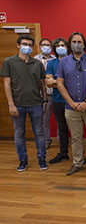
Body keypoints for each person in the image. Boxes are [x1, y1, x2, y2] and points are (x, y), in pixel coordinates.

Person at [56, 31, 86, 176]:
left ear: (84, 45)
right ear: (70, 44)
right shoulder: (63, 62)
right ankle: (77, 162)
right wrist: (71, 102)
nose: (77, 44)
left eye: (80, 42)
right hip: (71, 108)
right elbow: (59, 83)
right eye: (74, 42)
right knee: (76, 137)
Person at [0, 34, 48, 171]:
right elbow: (7, 85)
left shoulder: (37, 64)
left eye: (30, 45)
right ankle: (22, 160)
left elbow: (42, 84)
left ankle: (42, 159)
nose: (27, 47)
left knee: (39, 132)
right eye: (24, 44)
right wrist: (11, 104)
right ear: (18, 45)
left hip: (36, 104)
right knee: (19, 133)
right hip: (18, 105)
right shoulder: (9, 62)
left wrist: (44, 100)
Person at [46, 38, 71, 164]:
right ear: (55, 49)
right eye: (58, 45)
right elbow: (48, 83)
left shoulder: (72, 62)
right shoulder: (51, 63)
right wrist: (62, 82)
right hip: (57, 100)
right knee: (62, 128)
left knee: (76, 129)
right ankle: (63, 153)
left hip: (71, 100)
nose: (61, 47)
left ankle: (79, 155)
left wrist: (56, 81)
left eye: (63, 45)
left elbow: (76, 81)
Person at [34, 38, 56, 149]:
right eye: (44, 44)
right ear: (40, 46)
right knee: (44, 119)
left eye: (48, 45)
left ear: (52, 48)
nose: (46, 47)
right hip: (42, 94)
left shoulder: (56, 59)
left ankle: (62, 140)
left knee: (61, 119)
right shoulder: (35, 60)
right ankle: (46, 140)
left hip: (56, 93)